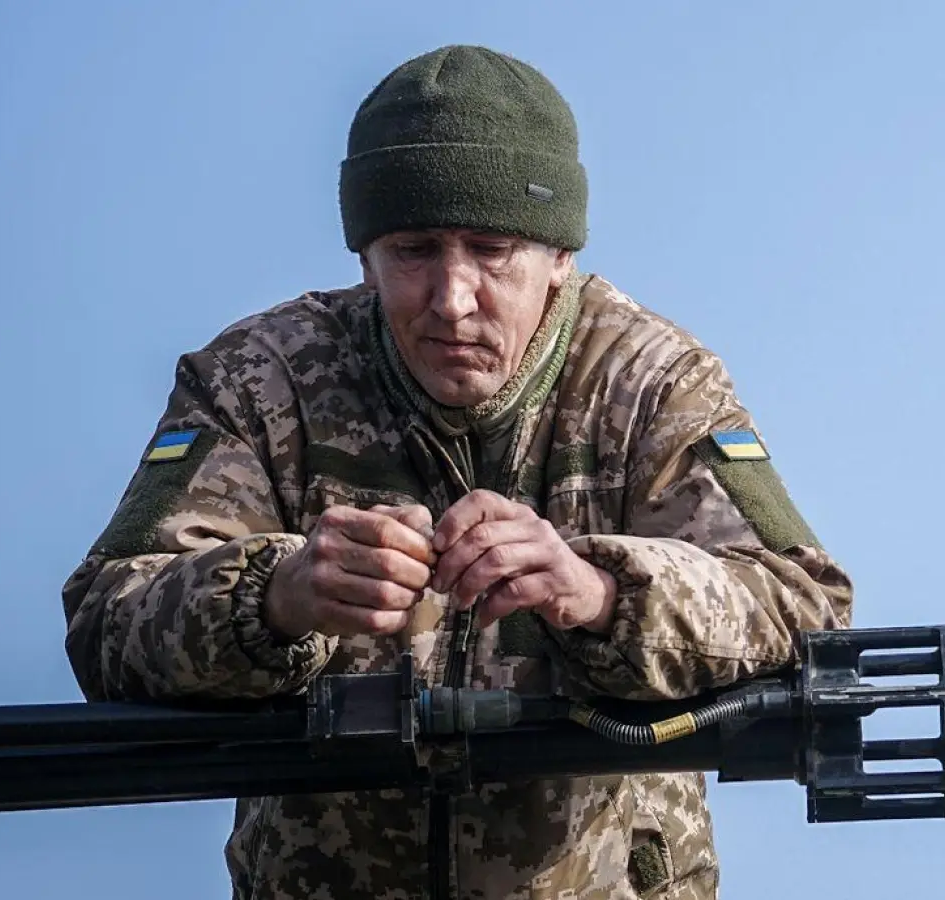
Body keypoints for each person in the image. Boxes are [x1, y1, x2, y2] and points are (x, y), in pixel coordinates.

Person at [60, 43, 854, 900]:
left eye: (491, 248)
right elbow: (108, 622)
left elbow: (802, 606)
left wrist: (599, 593)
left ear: (560, 259)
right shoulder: (261, 380)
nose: (452, 298)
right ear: (363, 256)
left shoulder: (651, 382)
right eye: (413, 250)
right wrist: (275, 597)